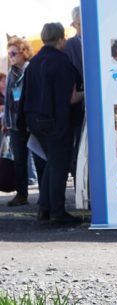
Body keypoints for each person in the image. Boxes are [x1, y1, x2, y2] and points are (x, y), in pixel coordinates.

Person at [18, 22, 81, 224]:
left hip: (33, 120)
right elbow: (70, 98)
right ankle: (57, 211)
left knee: (51, 163)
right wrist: (87, 92)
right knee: (59, 165)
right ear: (61, 39)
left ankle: (44, 209)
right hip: (55, 120)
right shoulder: (62, 62)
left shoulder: (34, 63)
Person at [3, 37, 33, 207]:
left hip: (31, 122)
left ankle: (46, 195)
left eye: (14, 53)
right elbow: (8, 99)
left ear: (24, 52)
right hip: (15, 123)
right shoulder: (11, 73)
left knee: (39, 159)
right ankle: (22, 194)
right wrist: (6, 122)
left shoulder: (31, 70)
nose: (11, 57)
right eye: (9, 54)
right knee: (19, 160)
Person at [64, 5, 84, 183]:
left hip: (97, 106)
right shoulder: (69, 45)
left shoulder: (98, 39)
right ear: (75, 23)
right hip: (77, 106)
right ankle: (80, 185)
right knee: (77, 148)